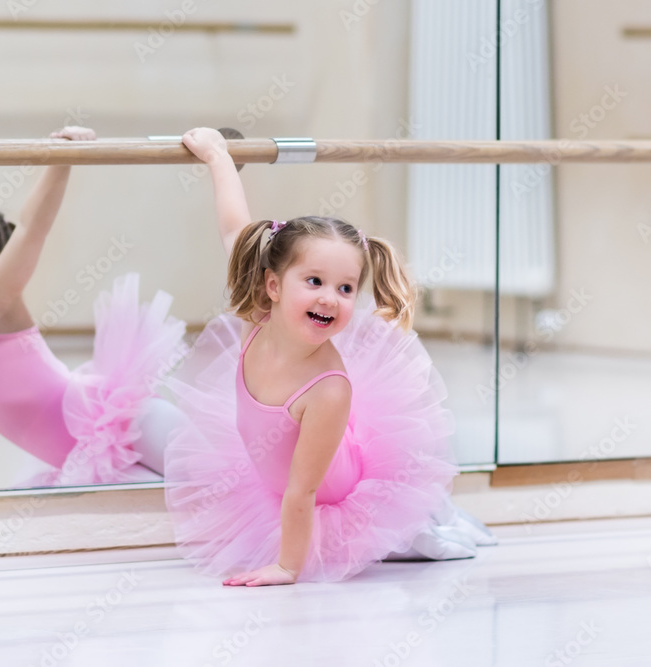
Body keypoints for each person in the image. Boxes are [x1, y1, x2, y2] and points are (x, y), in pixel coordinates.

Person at [163, 127, 495, 586]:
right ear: (273, 285)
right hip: (288, 479)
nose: (329, 298)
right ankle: (439, 514)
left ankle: (435, 519)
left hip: (335, 494)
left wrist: (287, 567)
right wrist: (218, 157)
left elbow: (303, 491)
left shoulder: (329, 389)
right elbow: (234, 228)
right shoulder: (256, 318)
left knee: (412, 538)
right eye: (314, 281)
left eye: (345, 288)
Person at [0, 125, 186, 490]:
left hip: (114, 418)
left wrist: (62, 158)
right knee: (182, 506)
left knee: (214, 476)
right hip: (87, 463)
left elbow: (32, 226)